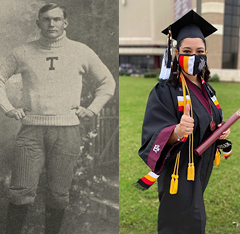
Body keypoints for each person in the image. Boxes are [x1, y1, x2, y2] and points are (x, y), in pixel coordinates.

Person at [0, 3, 115, 234]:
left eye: (56, 19)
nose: (51, 24)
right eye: (46, 19)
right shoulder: (22, 52)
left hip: (67, 132)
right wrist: (8, 108)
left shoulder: (81, 51)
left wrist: (91, 109)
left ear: (65, 22)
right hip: (30, 131)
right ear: (38, 23)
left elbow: (107, 82)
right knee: (21, 191)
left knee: (58, 194)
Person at [138, 10, 230, 234]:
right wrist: (177, 131)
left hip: (202, 165)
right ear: (176, 53)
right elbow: (153, 133)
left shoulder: (207, 88)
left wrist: (219, 133)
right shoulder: (165, 90)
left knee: (193, 213)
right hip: (179, 169)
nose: (194, 57)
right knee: (184, 220)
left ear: (206, 53)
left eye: (199, 51)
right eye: (187, 51)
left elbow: (210, 121)